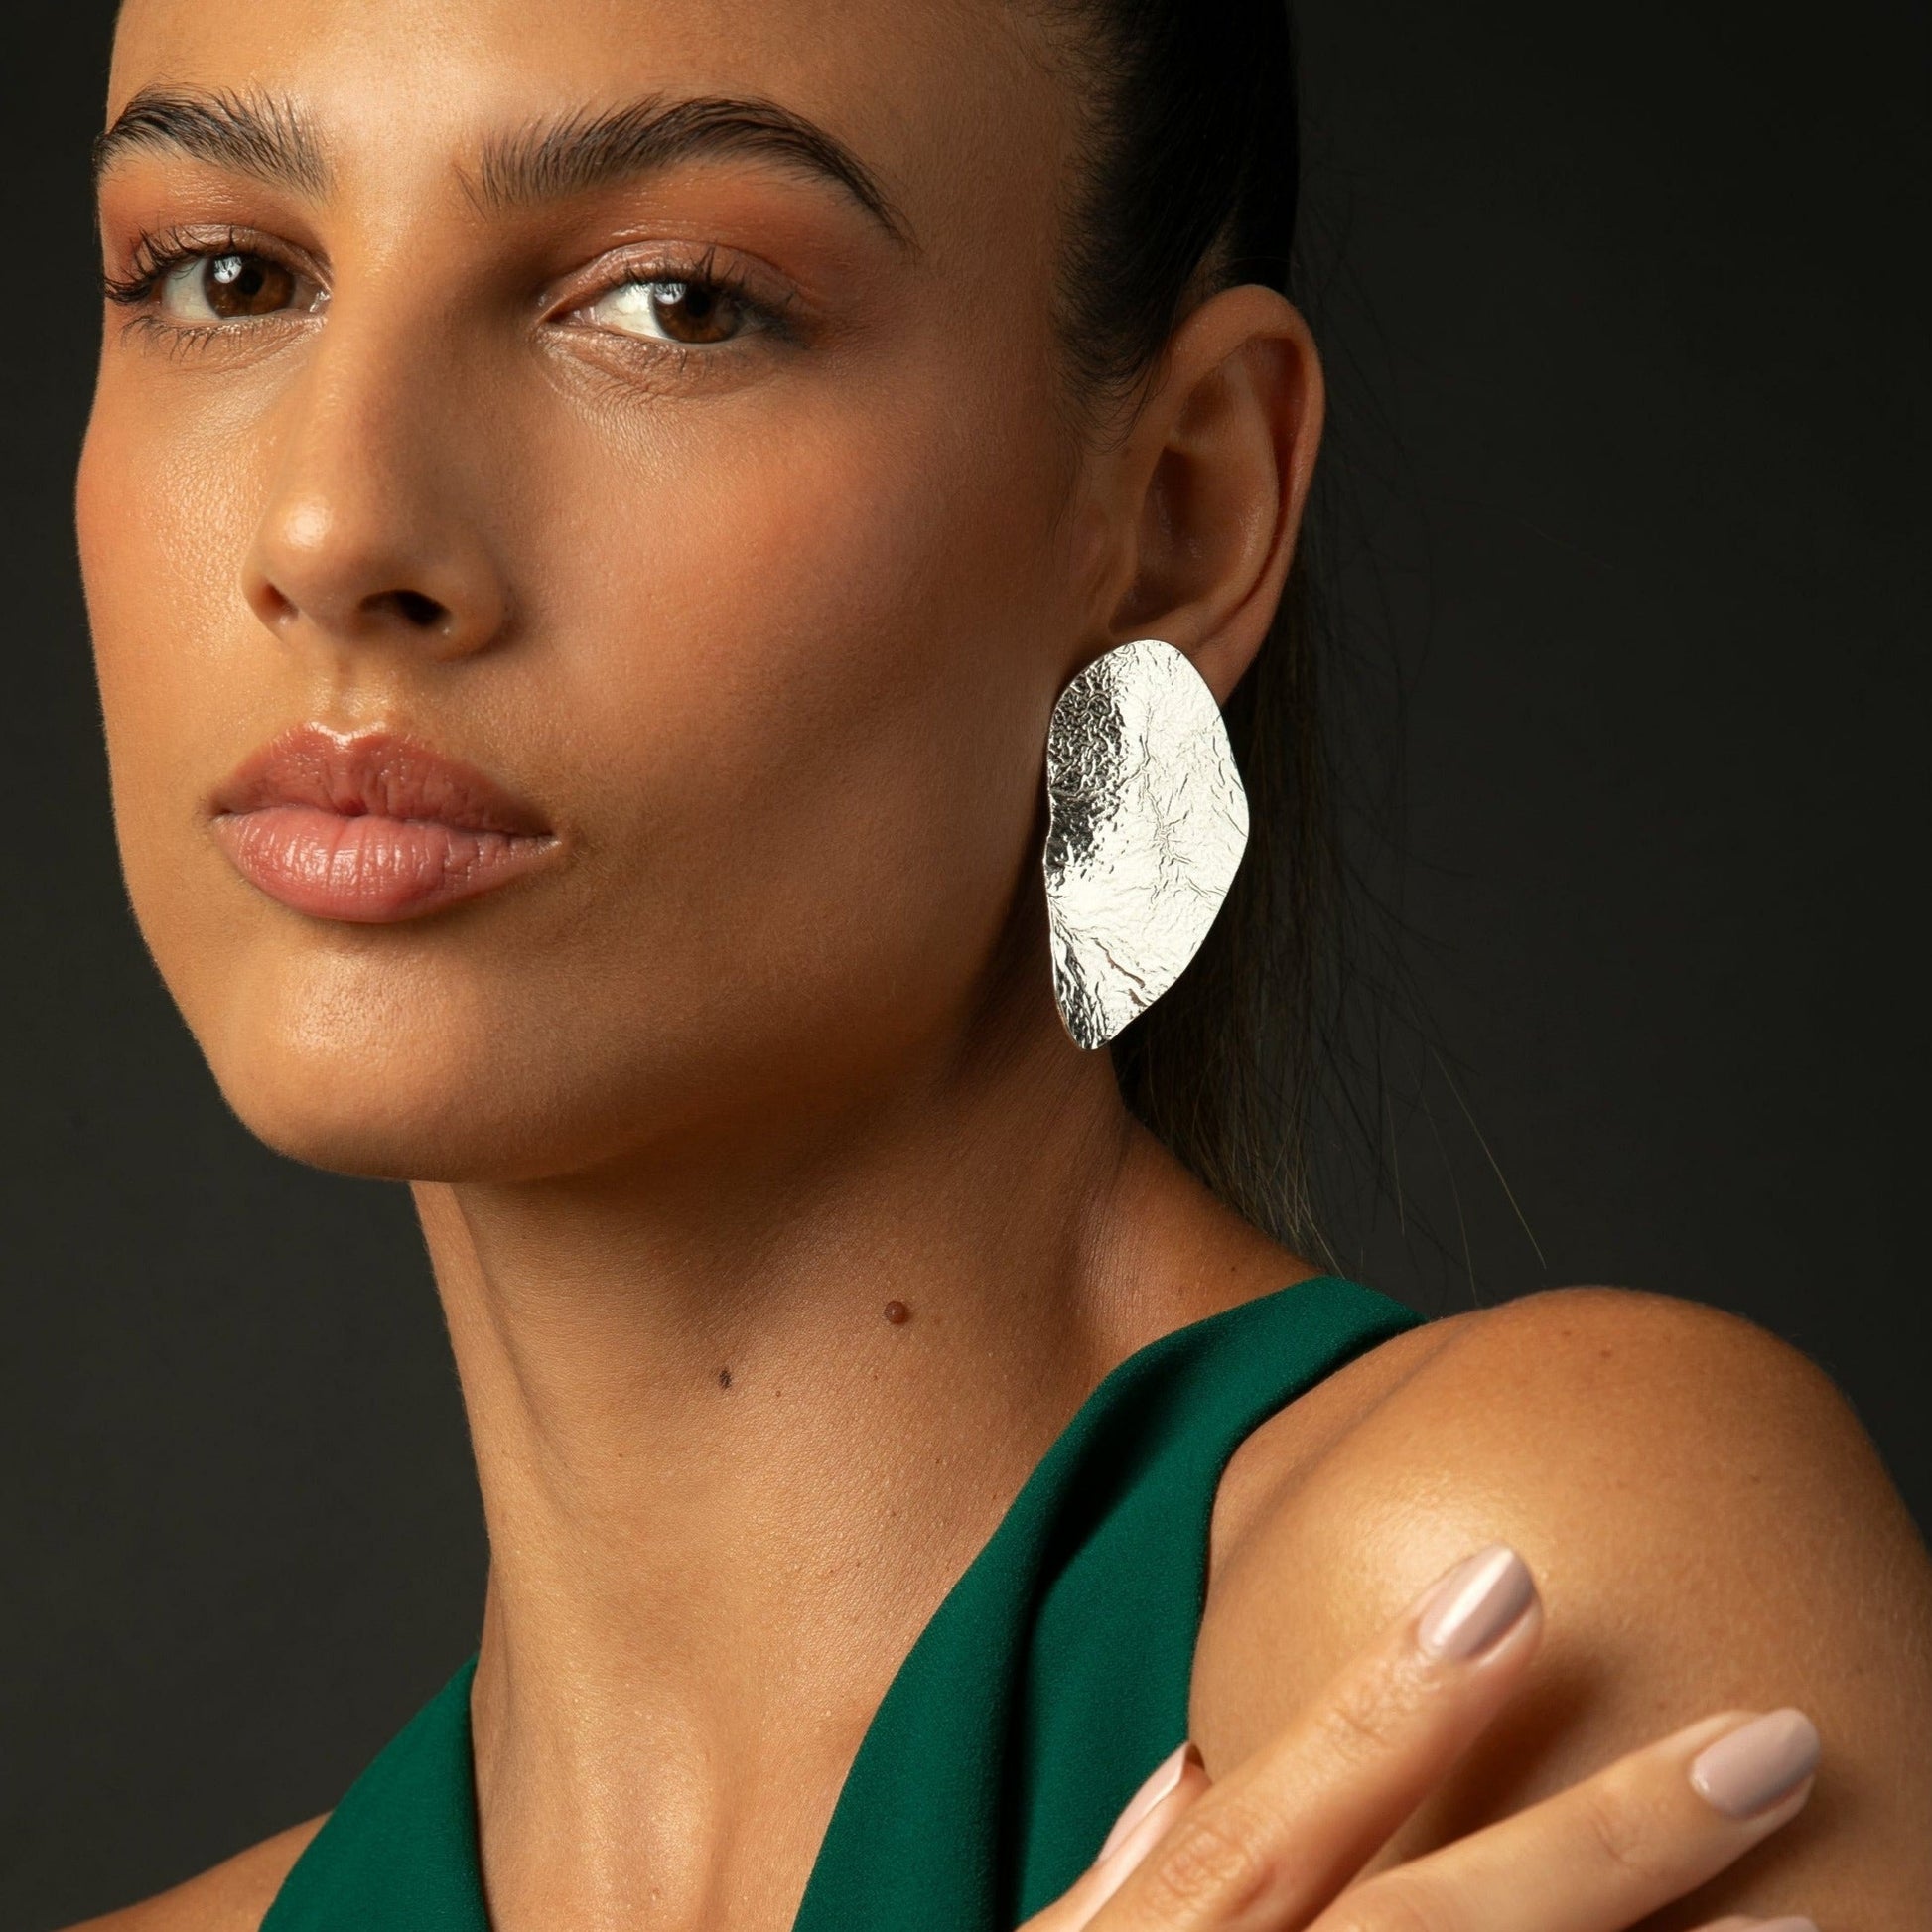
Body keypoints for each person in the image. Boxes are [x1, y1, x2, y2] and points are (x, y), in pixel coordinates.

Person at [70, 0, 1930, 1926]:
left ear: (1180, 510)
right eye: (225, 274)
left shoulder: (1496, 1596)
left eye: (679, 305)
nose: (332, 527)